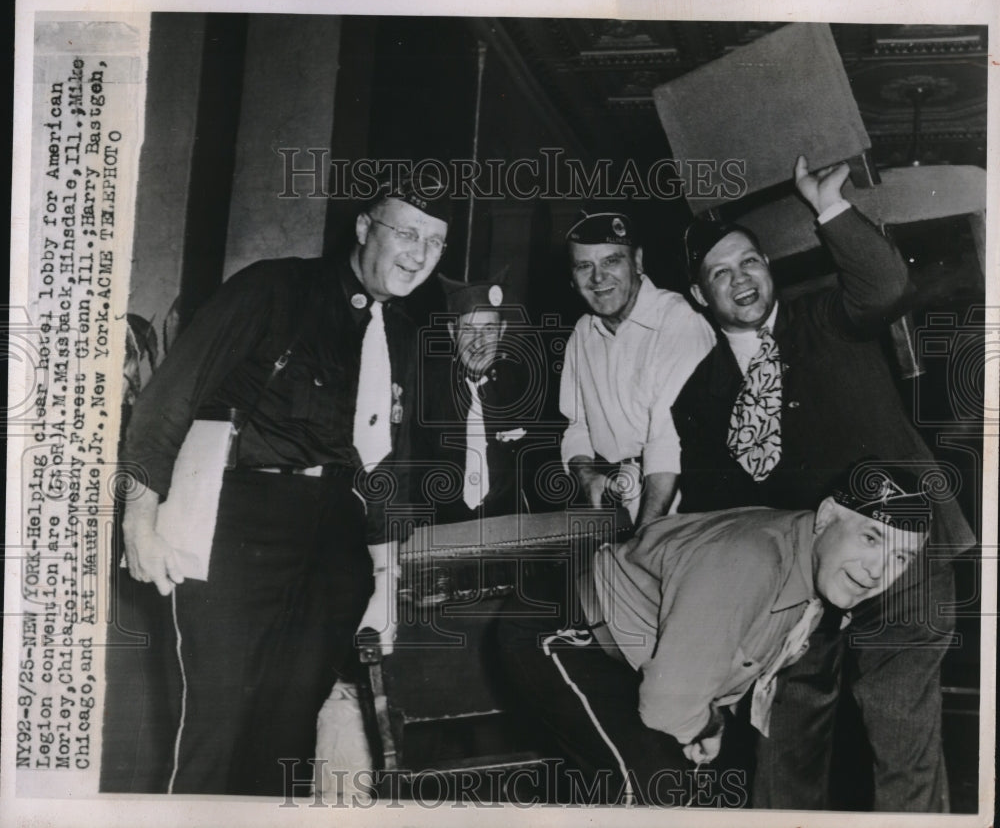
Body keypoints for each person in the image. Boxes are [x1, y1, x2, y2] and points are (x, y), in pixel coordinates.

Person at [119, 176, 450, 795]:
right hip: (240, 521)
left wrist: (386, 583)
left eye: (435, 242)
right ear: (362, 227)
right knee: (212, 729)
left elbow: (391, 471)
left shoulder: (403, 334)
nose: (420, 254)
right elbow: (169, 399)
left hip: (335, 540)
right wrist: (140, 519)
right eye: (407, 232)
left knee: (288, 737)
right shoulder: (275, 289)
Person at [672, 155, 976, 811]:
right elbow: (716, 520)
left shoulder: (823, 316)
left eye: (749, 260)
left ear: (769, 266)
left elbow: (886, 285)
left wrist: (828, 206)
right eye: (720, 272)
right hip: (797, 586)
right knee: (780, 738)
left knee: (898, 723)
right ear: (701, 296)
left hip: (904, 552)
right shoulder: (699, 397)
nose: (741, 278)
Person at [497, 463, 934, 806]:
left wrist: (705, 718)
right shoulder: (755, 559)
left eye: (900, 557)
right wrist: (706, 721)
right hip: (562, 627)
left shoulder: (811, 562)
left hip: (632, 654)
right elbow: (668, 706)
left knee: (692, 791)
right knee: (651, 792)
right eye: (871, 538)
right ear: (827, 517)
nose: (879, 570)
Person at [559, 212, 714, 527]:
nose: (598, 278)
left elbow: (667, 440)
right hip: (620, 501)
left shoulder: (676, 320)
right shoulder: (582, 333)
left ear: (638, 261)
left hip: (688, 501)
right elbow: (577, 427)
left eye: (611, 261)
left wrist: (645, 535)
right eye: (584, 266)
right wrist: (587, 475)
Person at [418, 275, 538, 523]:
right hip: (437, 528)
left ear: (502, 331)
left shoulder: (518, 384)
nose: (479, 344)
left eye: (489, 330)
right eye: (468, 330)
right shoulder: (424, 386)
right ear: (452, 332)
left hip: (503, 528)